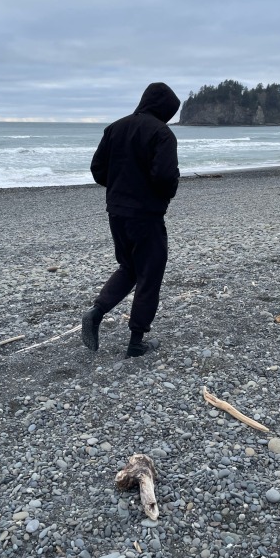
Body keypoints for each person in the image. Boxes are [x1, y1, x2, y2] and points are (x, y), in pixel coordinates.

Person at [81, 82, 181, 358]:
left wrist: (120, 189)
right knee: (150, 273)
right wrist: (165, 192)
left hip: (117, 212)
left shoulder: (114, 128)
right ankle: (136, 342)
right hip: (146, 215)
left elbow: (98, 169)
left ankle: (96, 312)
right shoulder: (162, 133)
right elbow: (164, 176)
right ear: (165, 109)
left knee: (129, 267)